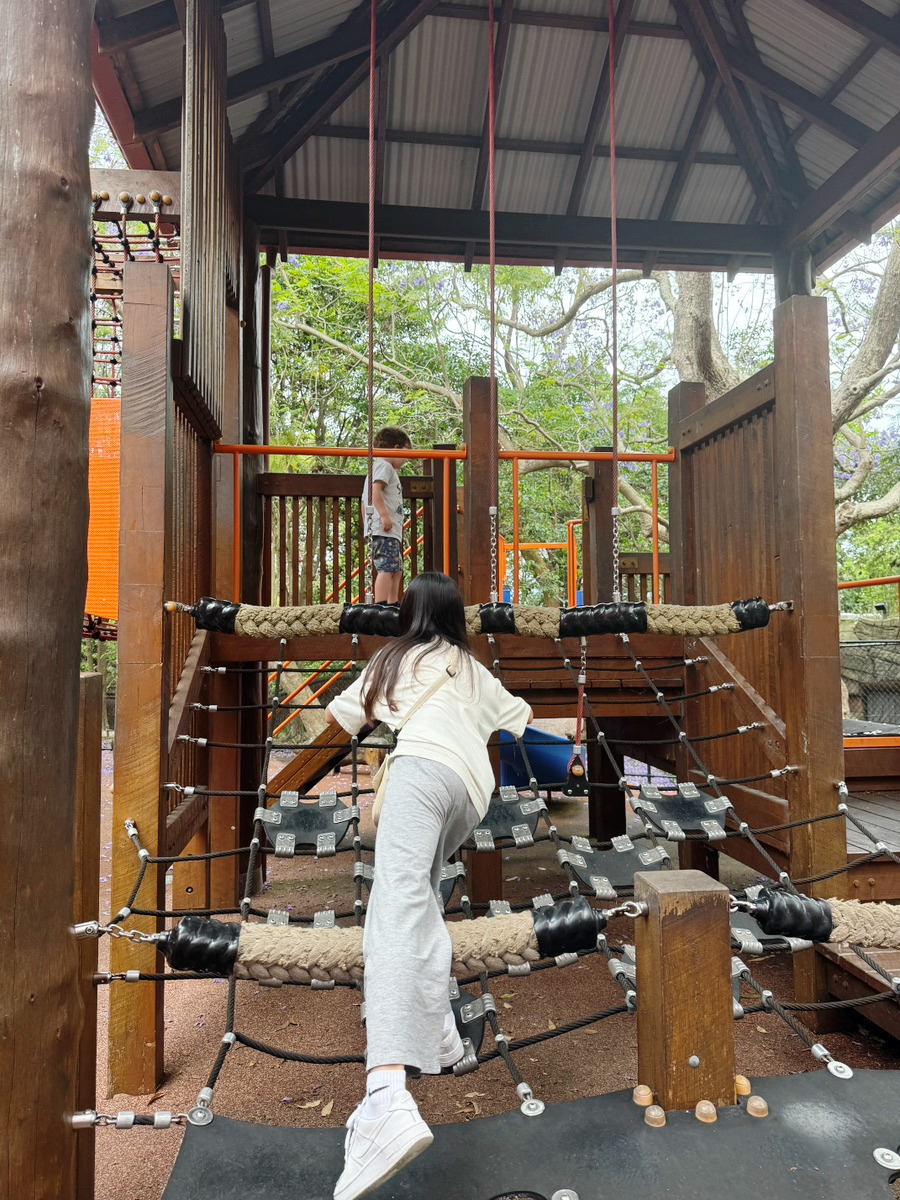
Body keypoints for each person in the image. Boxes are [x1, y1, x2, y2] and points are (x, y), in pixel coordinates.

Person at [325, 572, 533, 1200]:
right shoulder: (472, 669)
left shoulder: (393, 658)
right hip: (469, 795)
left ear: (408, 613)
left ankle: (386, 1093)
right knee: (419, 896)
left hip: (418, 772)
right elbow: (520, 720)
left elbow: (340, 718)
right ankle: (438, 1021)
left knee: (394, 903)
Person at [362, 426, 412, 604]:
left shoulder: (384, 468)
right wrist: (384, 516)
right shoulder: (384, 466)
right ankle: (382, 604)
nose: (407, 460)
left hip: (387, 531)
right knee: (387, 567)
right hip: (384, 530)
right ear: (396, 449)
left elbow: (365, 500)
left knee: (395, 568)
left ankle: (392, 602)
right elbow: (374, 491)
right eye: (407, 454)